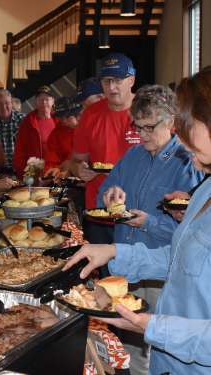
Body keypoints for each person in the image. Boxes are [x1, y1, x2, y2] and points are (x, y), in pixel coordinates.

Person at [63, 67, 211, 375]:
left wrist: (154, 326)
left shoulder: (191, 168)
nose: (181, 142)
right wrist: (115, 252)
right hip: (169, 351)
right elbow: (181, 257)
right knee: (131, 355)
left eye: (186, 125)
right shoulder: (204, 187)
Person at [97, 84, 204, 374]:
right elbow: (103, 193)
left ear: (171, 121)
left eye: (149, 127)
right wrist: (111, 196)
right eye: (138, 127)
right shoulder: (132, 156)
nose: (142, 135)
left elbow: (189, 239)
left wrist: (150, 222)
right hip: (126, 266)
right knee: (129, 345)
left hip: (162, 272)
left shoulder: (190, 163)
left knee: (156, 343)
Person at [70, 53, 140, 245]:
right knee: (104, 273)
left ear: (131, 80)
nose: (111, 87)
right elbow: (76, 159)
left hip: (138, 210)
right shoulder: (91, 114)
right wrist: (79, 169)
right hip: (99, 210)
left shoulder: (146, 111)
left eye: (117, 80)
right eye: (106, 81)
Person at [13, 85, 59, 179]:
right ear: (36, 102)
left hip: (55, 172)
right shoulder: (27, 122)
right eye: (40, 99)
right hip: (34, 174)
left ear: (53, 101)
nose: (44, 102)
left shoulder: (60, 121)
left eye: (47, 99)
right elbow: (19, 150)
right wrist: (23, 173)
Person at [44, 96, 83, 178]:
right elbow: (50, 161)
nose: (64, 121)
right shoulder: (55, 134)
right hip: (66, 179)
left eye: (66, 116)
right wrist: (53, 171)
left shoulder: (89, 126)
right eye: (61, 118)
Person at [0, 89, 25, 169]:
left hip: (20, 169)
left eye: (7, 103)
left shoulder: (23, 120)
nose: (4, 107)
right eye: (0, 104)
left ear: (11, 103)